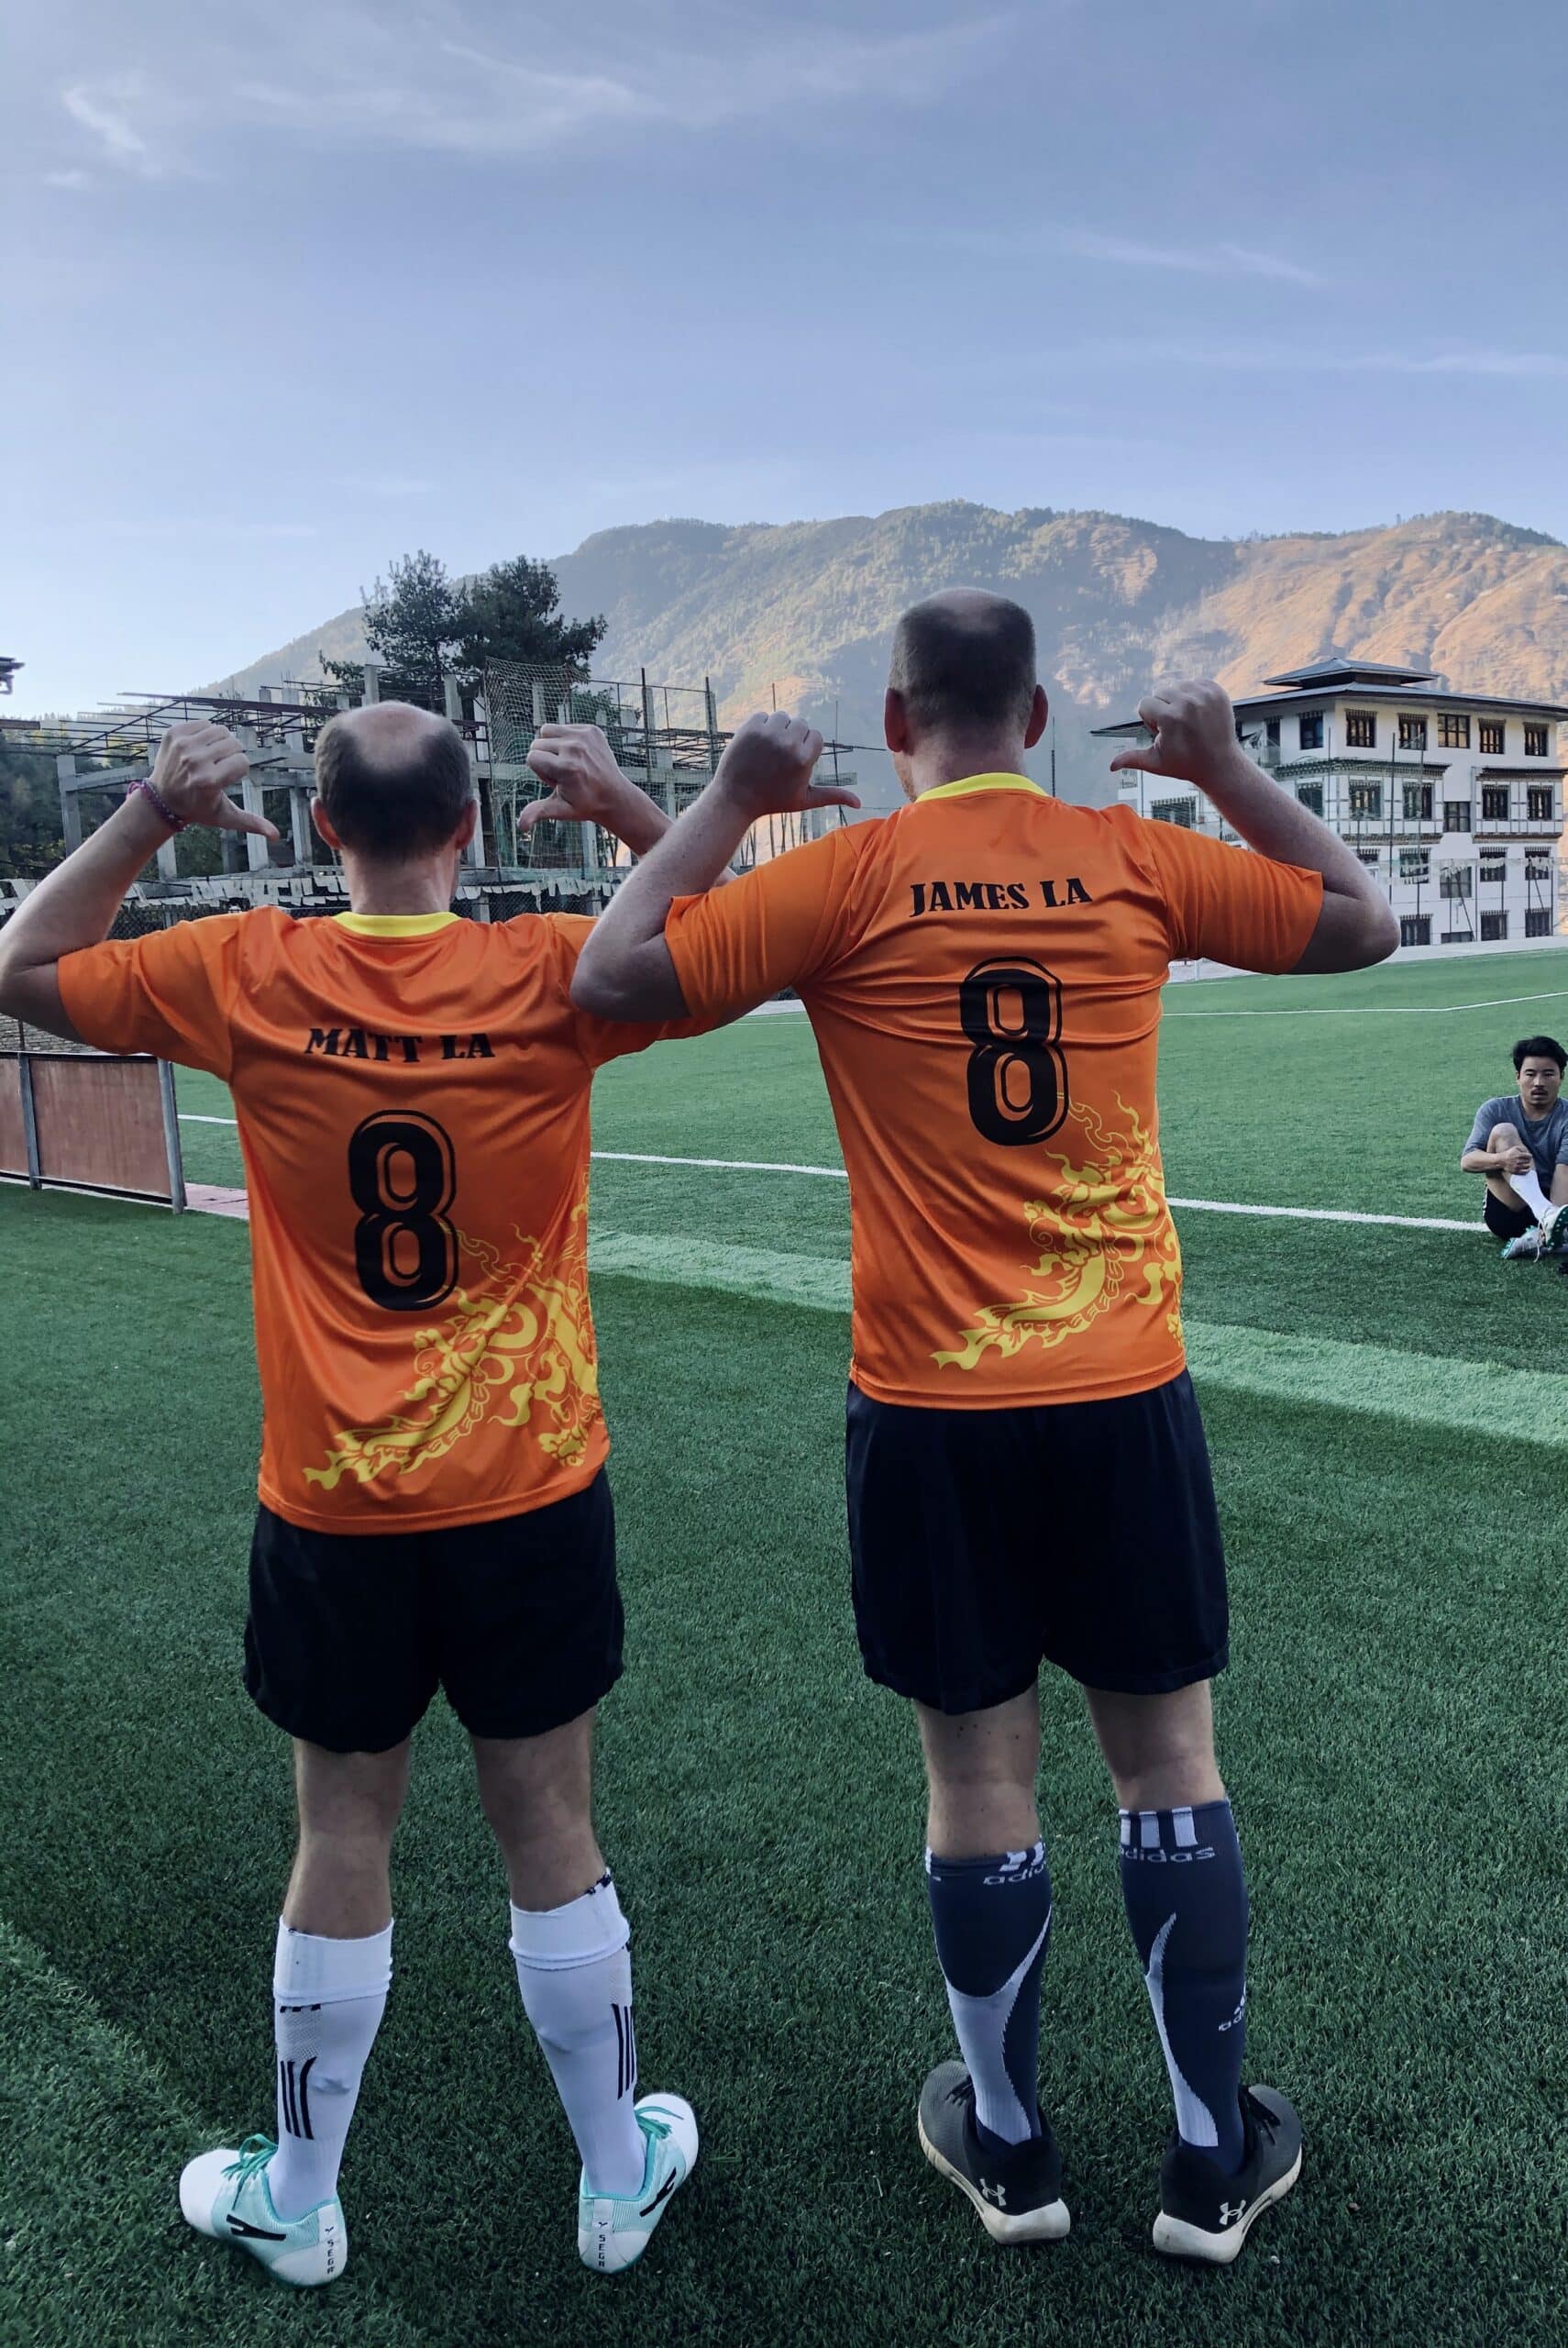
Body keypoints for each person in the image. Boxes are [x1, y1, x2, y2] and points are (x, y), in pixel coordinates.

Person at [568, 592, 1397, 2265]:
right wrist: (1228, 770)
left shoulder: (846, 879)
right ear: (1035, 717)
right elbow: (1361, 919)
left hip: (933, 1413)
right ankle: (1207, 2162)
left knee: (976, 1774)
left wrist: (725, 799)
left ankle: (1014, 2157)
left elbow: (614, 971)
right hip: (1117, 1394)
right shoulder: (1127, 858)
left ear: (891, 728)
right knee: (1168, 1765)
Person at [0, 707, 705, 2285]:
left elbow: (22, 967)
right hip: (530, 1488)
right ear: (472, 825)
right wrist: (618, 807)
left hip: (335, 1504)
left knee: (342, 1828)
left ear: (321, 829)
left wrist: (146, 820)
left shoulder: (247, 969)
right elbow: (721, 941)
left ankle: (300, 2197)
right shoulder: (553, 974)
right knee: (552, 1824)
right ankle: (613, 2177)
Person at [1459, 1036, 1568, 1260]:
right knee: (1503, 1131)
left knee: (1556, 1219)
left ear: (1561, 1078)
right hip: (1509, 1210)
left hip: (1557, 1204)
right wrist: (1501, 1159)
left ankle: (1547, 1232)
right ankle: (1547, 1221)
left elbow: (1564, 1172)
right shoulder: (1495, 1109)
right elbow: (1467, 1161)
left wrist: (1556, 1221)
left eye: (1548, 1074)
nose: (1538, 1082)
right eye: (1530, 1074)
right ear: (1518, 1077)